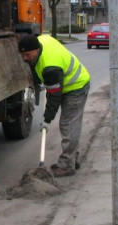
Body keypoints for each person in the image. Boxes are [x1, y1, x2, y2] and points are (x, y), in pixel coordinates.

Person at [18, 34, 91, 177]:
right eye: (22, 55)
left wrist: (47, 120)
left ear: (37, 50)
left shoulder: (50, 68)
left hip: (76, 86)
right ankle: (71, 159)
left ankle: (66, 166)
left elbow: (54, 98)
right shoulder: (41, 40)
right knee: (69, 125)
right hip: (63, 82)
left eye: (28, 54)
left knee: (68, 124)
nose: (25, 58)